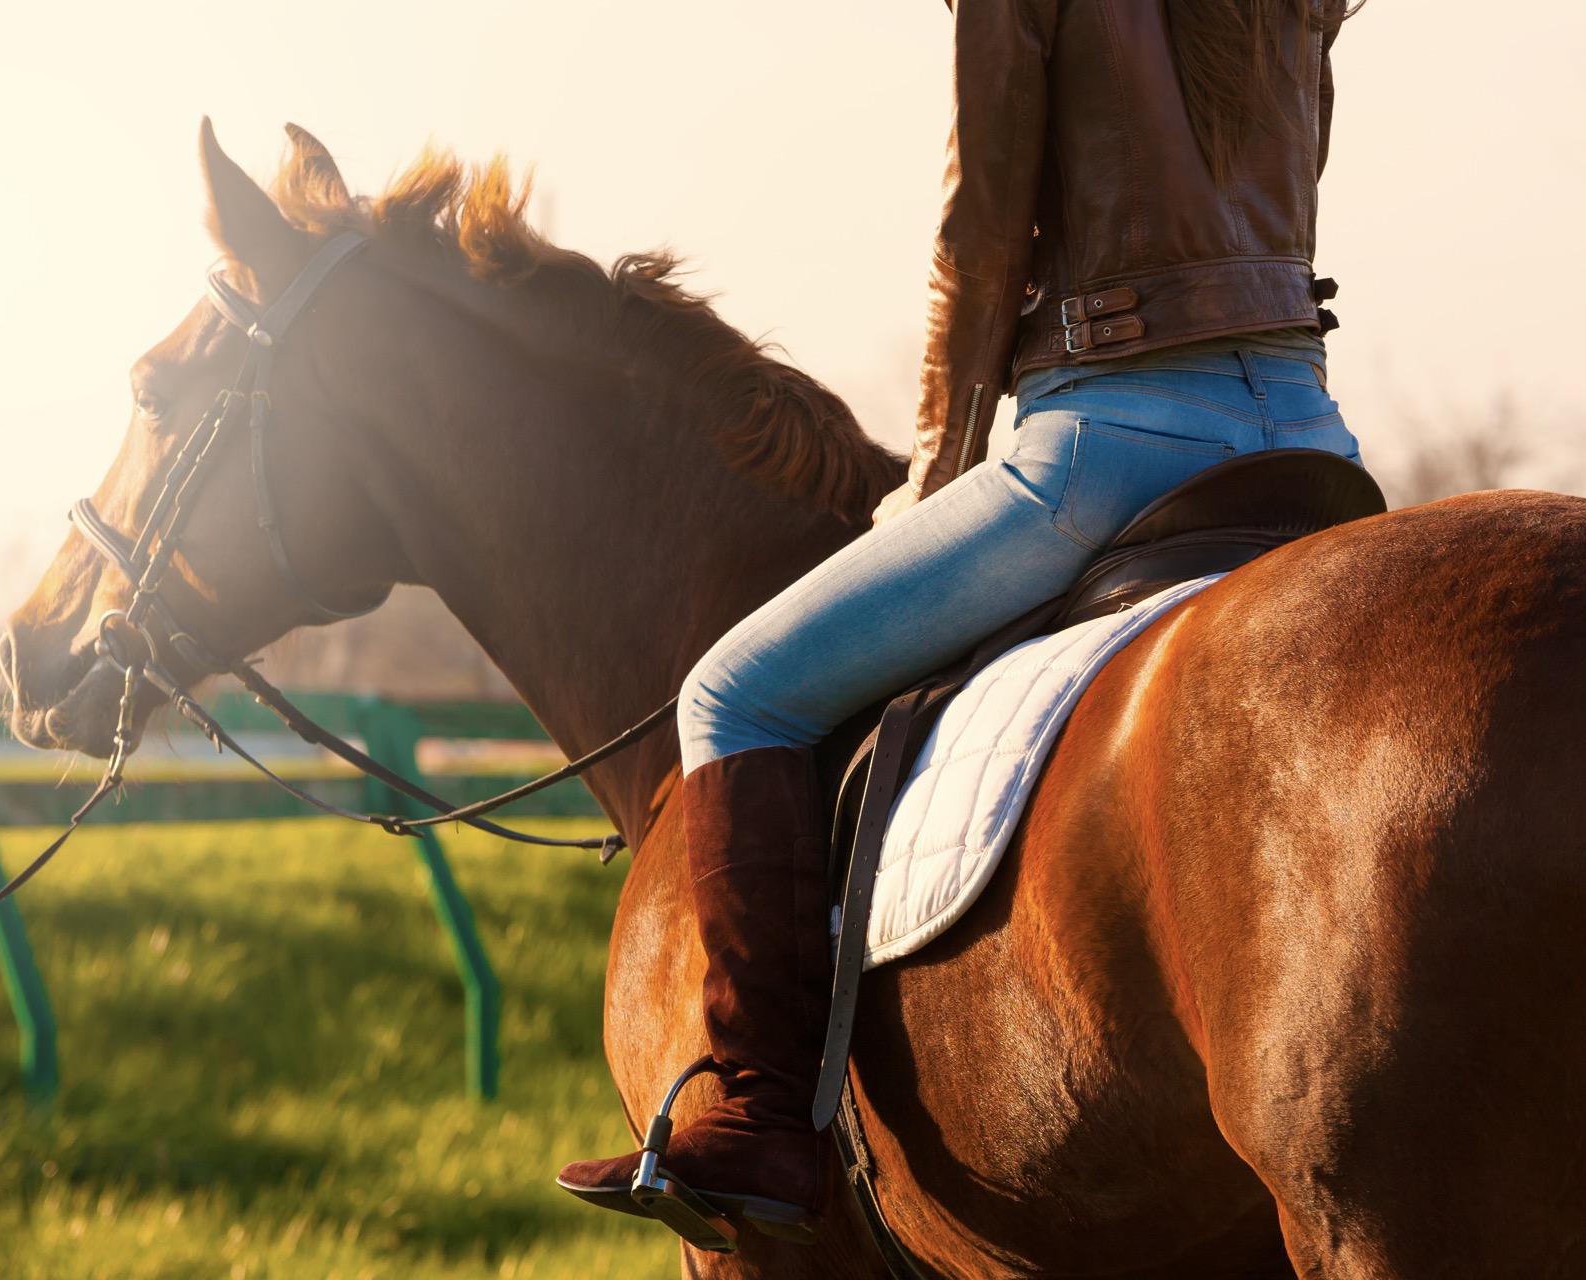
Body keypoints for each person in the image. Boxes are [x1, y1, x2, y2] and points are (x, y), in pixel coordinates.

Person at [559, 0, 1364, 1236]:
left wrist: (934, 467)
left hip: (1103, 441)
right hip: (1306, 428)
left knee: (733, 691)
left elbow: (980, 230)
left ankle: (756, 1114)